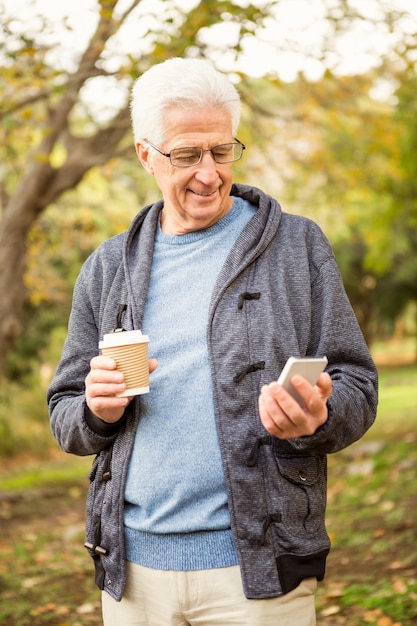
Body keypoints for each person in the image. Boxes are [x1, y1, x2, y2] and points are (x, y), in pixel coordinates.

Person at [47, 57, 378, 626]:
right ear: (145, 154)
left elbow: (358, 384)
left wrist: (319, 416)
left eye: (221, 151)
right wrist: (96, 413)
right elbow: (64, 410)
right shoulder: (106, 268)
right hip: (135, 577)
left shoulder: (296, 247)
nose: (209, 173)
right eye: (186, 155)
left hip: (260, 569)